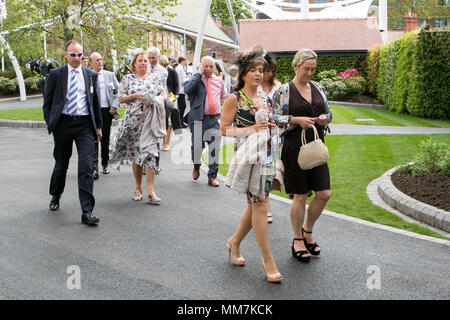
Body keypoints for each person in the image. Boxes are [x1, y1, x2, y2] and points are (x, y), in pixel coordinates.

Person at [220, 48, 282, 283]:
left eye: (261, 70)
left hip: (267, 156)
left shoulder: (265, 97)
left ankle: (234, 242)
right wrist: (250, 130)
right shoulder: (234, 98)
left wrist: (273, 125)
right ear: (243, 74)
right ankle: (268, 260)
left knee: (257, 203)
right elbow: (224, 129)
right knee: (260, 205)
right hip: (248, 158)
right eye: (253, 70)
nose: (258, 74)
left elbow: (269, 123)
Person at [272, 49, 332, 262]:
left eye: (313, 69)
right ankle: (297, 239)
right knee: (300, 195)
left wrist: (325, 118)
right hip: (294, 147)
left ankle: (308, 230)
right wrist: (296, 120)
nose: (310, 73)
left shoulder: (319, 88)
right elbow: (274, 118)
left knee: (324, 193)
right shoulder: (283, 91)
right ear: (295, 67)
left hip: (315, 144)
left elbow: (328, 111)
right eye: (306, 68)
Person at [42, 40, 102, 225]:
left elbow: (95, 103)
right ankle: (56, 194)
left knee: (86, 166)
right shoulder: (56, 74)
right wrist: (51, 122)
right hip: (64, 124)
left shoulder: (90, 75)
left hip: (84, 125)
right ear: (66, 55)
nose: (77, 58)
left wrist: (98, 126)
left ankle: (87, 211)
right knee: (61, 165)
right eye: (73, 54)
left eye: (79, 55)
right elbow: (48, 102)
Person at [109, 50, 166, 204]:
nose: (143, 63)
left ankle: (151, 191)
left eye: (145, 61)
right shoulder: (128, 79)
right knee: (137, 155)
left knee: (150, 153)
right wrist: (134, 96)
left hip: (150, 120)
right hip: (133, 122)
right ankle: (138, 187)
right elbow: (120, 98)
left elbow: (163, 95)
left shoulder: (155, 78)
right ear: (134, 63)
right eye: (140, 60)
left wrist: (153, 99)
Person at [184, 56, 227, 187]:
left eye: (211, 66)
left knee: (214, 148)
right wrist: (198, 75)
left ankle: (212, 176)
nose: (208, 69)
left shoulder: (219, 81)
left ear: (214, 68)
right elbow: (187, 90)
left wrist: (214, 108)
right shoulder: (196, 80)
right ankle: (196, 166)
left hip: (213, 119)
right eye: (206, 66)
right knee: (196, 148)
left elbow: (223, 97)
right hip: (198, 119)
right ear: (201, 66)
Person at [259, 52, 282, 224]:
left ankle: (265, 200)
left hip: (275, 135)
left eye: (271, 71)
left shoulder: (278, 86)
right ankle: (260, 202)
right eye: (267, 71)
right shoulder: (254, 86)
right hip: (258, 136)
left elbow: (283, 110)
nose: (269, 74)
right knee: (258, 169)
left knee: (269, 171)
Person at [89, 52, 120, 179]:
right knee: (94, 139)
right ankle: (94, 168)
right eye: (97, 60)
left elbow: (120, 91)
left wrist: (114, 105)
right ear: (91, 62)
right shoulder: (88, 75)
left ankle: (105, 164)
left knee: (105, 139)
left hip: (106, 111)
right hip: (92, 113)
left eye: (101, 59)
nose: (100, 62)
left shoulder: (110, 75)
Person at [159, 55, 181, 151]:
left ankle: (167, 142)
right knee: (162, 120)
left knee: (170, 120)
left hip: (171, 96)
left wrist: (176, 95)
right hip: (160, 97)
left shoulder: (172, 71)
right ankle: (164, 141)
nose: (163, 68)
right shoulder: (155, 72)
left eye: (165, 66)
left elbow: (177, 85)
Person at [175, 56, 188, 128]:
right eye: (186, 61)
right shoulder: (180, 69)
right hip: (180, 91)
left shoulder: (178, 68)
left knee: (181, 106)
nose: (186, 62)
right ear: (182, 61)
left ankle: (180, 121)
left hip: (179, 90)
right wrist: (189, 79)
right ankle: (180, 122)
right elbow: (182, 81)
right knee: (182, 106)